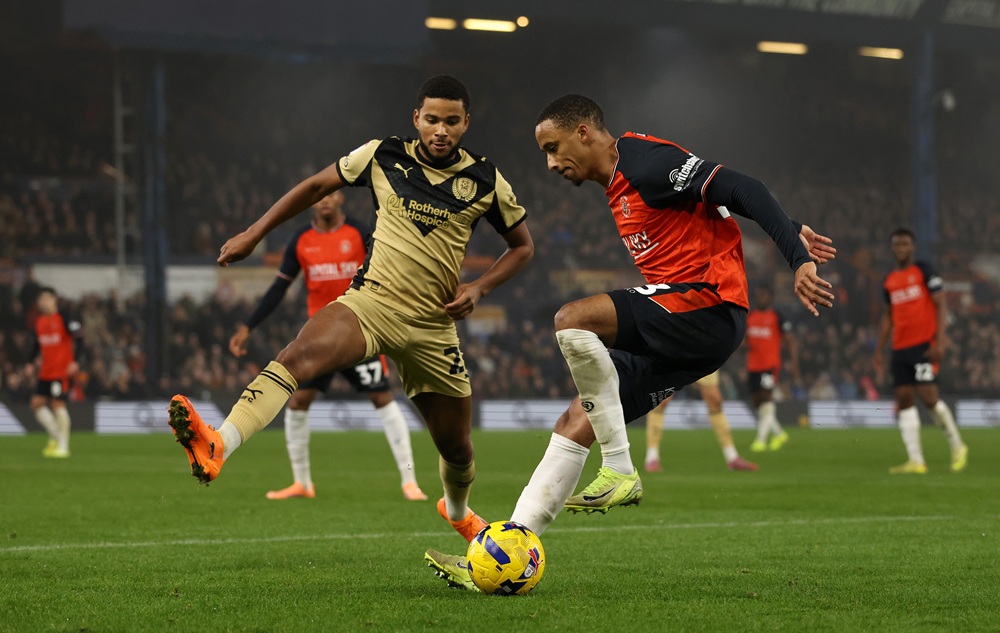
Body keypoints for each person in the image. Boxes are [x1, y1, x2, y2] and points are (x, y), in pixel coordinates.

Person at [425, 94, 835, 589]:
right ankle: (503, 554)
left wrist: (797, 256)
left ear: (584, 133)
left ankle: (620, 468)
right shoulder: (621, 182)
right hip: (691, 326)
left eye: (553, 148)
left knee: (572, 319)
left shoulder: (644, 162)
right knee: (578, 418)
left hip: (706, 304)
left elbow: (744, 187)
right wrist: (790, 226)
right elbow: (718, 203)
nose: (551, 164)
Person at [167, 75, 533, 540]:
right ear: (416, 118)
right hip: (371, 302)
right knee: (295, 358)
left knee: (457, 449)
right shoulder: (383, 154)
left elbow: (522, 247)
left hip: (433, 325)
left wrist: (479, 288)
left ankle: (458, 512)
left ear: (466, 124)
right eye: (433, 119)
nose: (441, 130)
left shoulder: (486, 179)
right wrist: (254, 232)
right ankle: (219, 443)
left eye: (452, 121)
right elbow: (316, 185)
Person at [228, 190, 426, 501]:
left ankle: (409, 481)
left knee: (383, 398)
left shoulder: (360, 233)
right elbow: (280, 287)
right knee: (297, 403)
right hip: (320, 340)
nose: (325, 200)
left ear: (341, 199)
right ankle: (303, 483)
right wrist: (247, 326)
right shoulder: (300, 240)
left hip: (361, 331)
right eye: (321, 196)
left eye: (332, 194)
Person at [872, 228, 967, 474]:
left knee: (928, 398)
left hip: (923, 345)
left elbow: (941, 304)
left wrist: (941, 342)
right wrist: (879, 350)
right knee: (904, 400)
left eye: (905, 244)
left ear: (912, 247)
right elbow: (888, 318)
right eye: (897, 244)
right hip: (899, 348)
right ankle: (916, 460)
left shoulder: (924, 270)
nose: (901, 248)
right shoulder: (889, 280)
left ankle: (958, 445)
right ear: (892, 248)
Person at [644, 370, 758, 472]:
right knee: (662, 400)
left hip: (701, 349)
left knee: (715, 401)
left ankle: (732, 457)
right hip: (675, 351)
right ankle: (652, 457)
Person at [29, 287, 81, 458]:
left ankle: (63, 447)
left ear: (54, 300)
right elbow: (37, 344)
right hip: (46, 371)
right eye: (41, 300)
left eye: (47, 299)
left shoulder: (64, 317)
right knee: (36, 403)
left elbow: (78, 337)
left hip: (61, 371)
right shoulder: (40, 321)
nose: (44, 303)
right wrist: (30, 362)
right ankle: (55, 437)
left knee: (58, 404)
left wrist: (75, 361)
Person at [746, 285, 798, 453]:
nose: (760, 298)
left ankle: (760, 440)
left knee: (767, 397)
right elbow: (745, 340)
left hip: (770, 365)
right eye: (758, 295)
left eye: (764, 295)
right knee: (757, 402)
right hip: (753, 364)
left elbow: (790, 340)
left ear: (770, 297)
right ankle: (779, 433)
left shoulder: (777, 316)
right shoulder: (750, 316)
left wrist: (793, 363)